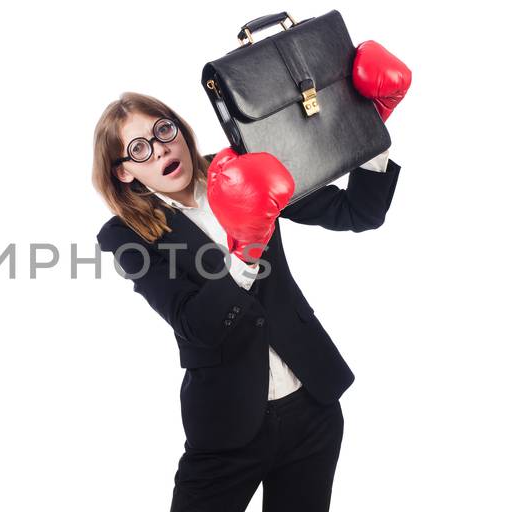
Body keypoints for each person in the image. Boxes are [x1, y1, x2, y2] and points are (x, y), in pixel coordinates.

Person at [93, 41, 409, 511]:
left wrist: (370, 125)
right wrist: (243, 251)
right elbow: (193, 324)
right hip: (227, 431)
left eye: (164, 130)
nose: (160, 148)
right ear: (123, 172)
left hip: (312, 407)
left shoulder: (244, 167)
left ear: (180, 129)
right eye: (139, 148)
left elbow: (357, 212)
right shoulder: (126, 235)